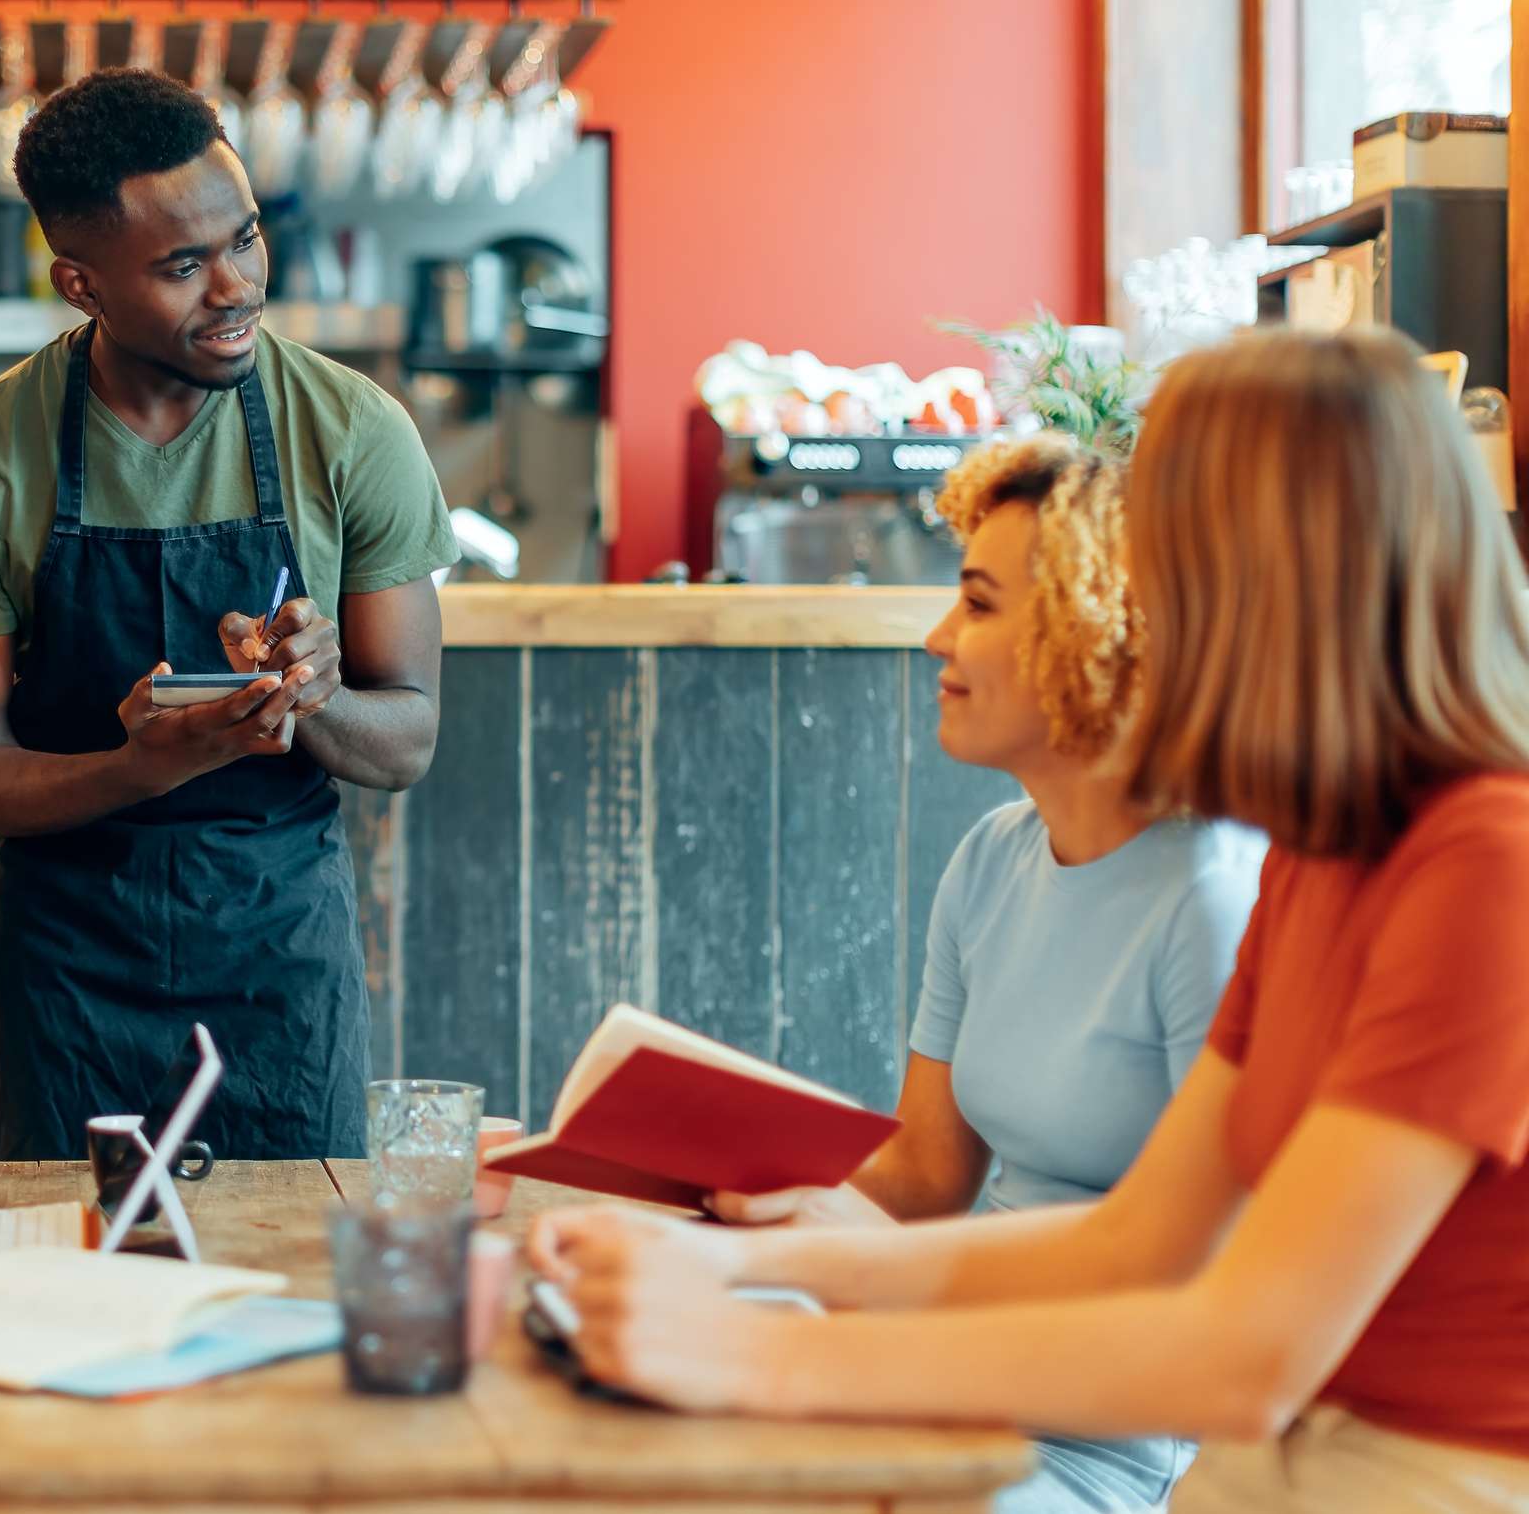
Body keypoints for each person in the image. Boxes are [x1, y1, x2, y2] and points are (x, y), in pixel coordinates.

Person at [531, 328, 1529, 1513]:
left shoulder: (1484, 865)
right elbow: (1134, 1242)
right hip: (1272, 1469)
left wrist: (757, 1349)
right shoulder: (1318, 860)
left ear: (1282, 580)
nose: (1141, 617)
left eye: (1173, 563)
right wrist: (734, 1263)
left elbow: (1245, 1353)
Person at [0, 67, 456, 1161]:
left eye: (244, 239)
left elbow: (408, 742)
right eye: (183, 266)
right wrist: (140, 764)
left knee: (293, 1290)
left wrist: (319, 698)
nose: (236, 286)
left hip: (279, 950)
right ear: (80, 283)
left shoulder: (350, 433)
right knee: (71, 1277)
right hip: (69, 963)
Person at [705, 434, 1263, 1512]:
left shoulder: (1214, 899)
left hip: (1115, 1450)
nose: (936, 637)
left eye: (977, 603)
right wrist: (687, 1171)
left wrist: (838, 1282)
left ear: (1098, 631)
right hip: (950, 1369)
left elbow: (1222, 1284)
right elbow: (922, 1178)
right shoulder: (993, 857)